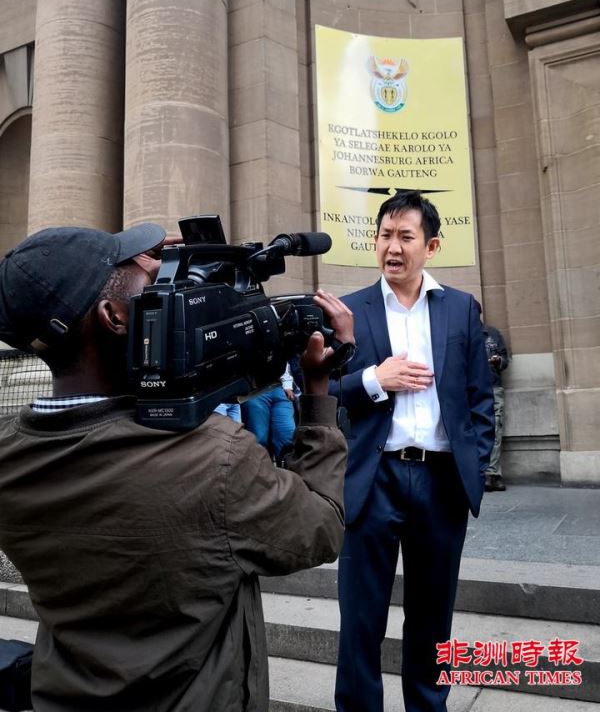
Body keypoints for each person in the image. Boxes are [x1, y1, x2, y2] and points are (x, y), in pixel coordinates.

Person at [0, 223, 353, 712]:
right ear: (115, 317)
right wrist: (317, 400)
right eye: (152, 283)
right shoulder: (214, 458)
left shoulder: (11, 455)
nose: (166, 285)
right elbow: (320, 528)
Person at [333, 191, 495, 712]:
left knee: (432, 619)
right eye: (385, 235)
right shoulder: (351, 310)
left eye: (406, 236)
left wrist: (473, 466)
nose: (393, 247)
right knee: (360, 619)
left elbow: (479, 399)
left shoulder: (460, 308)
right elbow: (322, 389)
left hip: (441, 482)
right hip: (372, 479)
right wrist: (373, 380)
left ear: (432, 246)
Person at [241, 364, 297, 462]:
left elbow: (283, 361)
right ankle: (263, 470)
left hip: (280, 387)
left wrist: (288, 385)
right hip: (255, 390)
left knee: (287, 436)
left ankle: (287, 469)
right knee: (259, 439)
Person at [481, 322, 510, 492]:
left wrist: (498, 360)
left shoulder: (492, 333)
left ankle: (492, 473)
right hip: (469, 390)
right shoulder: (459, 332)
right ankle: (480, 473)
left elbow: (505, 360)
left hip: (493, 387)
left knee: (495, 430)